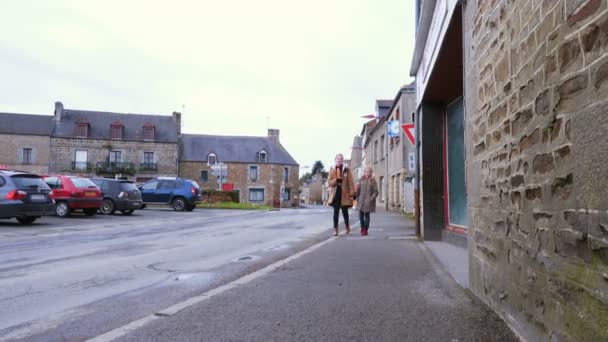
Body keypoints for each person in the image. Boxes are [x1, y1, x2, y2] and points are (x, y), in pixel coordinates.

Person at [327, 153, 355, 236]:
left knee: (345, 212)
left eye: (341, 159)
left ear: (343, 160)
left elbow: (351, 182)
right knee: (335, 213)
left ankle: (347, 227)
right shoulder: (332, 170)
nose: (339, 160)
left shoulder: (346, 170)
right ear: (335, 160)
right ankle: (335, 230)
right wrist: (336, 180)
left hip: (345, 194)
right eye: (338, 159)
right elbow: (329, 183)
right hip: (336, 194)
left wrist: (352, 193)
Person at [355, 166, 378, 236]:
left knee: (367, 216)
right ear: (364, 172)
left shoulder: (373, 181)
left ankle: (365, 229)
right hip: (361, 201)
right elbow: (358, 190)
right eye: (366, 172)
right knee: (361, 217)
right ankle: (362, 228)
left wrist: (372, 198)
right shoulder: (361, 179)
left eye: (369, 172)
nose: (367, 173)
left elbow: (376, 191)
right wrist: (357, 194)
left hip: (368, 202)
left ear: (371, 173)